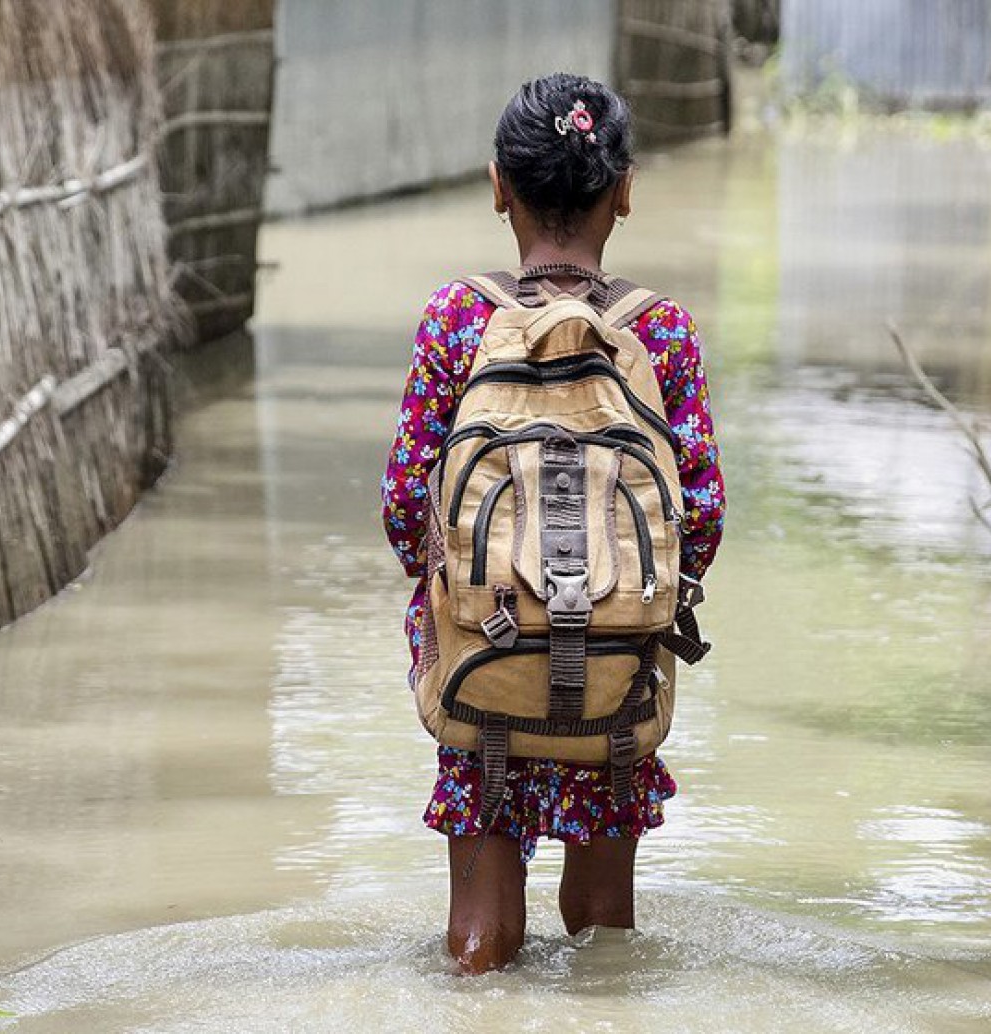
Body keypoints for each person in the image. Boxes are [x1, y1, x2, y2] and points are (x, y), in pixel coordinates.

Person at [381, 73, 725, 974]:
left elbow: (404, 508)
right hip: (617, 666)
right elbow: (702, 519)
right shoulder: (661, 332)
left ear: (499, 186)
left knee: (480, 937)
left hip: (482, 654)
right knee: (605, 935)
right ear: (625, 191)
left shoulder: (459, 320)